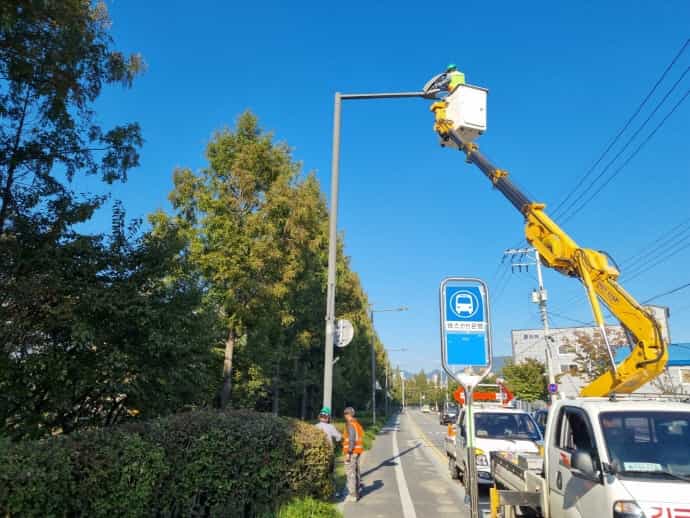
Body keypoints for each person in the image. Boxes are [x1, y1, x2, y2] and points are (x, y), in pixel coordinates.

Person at [342, 406, 364, 502]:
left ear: (348, 414)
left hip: (352, 452)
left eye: (345, 414)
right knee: (356, 471)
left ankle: (353, 494)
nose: (344, 416)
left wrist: (348, 453)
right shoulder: (357, 424)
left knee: (350, 472)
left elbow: (351, 439)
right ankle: (357, 490)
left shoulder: (350, 424)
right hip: (357, 451)